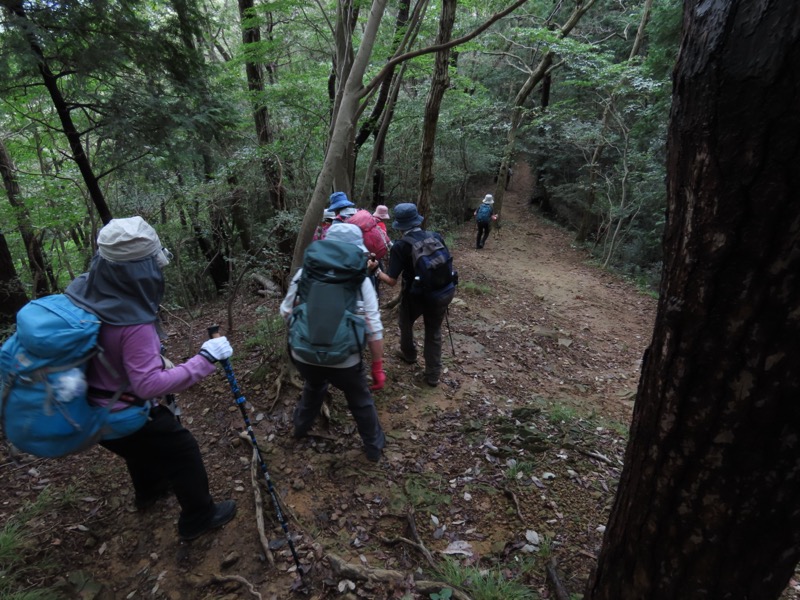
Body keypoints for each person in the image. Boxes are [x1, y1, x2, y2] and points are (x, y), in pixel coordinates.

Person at [64, 216, 237, 542]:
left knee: (140, 447)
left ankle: (150, 492)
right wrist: (205, 359)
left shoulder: (83, 290)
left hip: (93, 407)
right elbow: (148, 385)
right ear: (142, 270)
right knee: (181, 449)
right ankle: (198, 517)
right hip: (123, 410)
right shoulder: (133, 322)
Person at [281, 222, 387, 462]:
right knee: (360, 400)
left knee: (313, 387)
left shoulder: (305, 272)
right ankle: (374, 448)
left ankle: (299, 428)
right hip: (344, 359)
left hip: (304, 354)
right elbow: (373, 326)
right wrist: (377, 366)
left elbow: (286, 311)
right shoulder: (359, 277)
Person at [371, 203, 455, 387]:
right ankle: (433, 375)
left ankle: (409, 354)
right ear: (417, 219)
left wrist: (376, 270)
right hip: (442, 291)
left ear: (400, 225)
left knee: (405, 323)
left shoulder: (401, 246)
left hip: (416, 296)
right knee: (433, 332)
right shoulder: (435, 236)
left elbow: (391, 280)